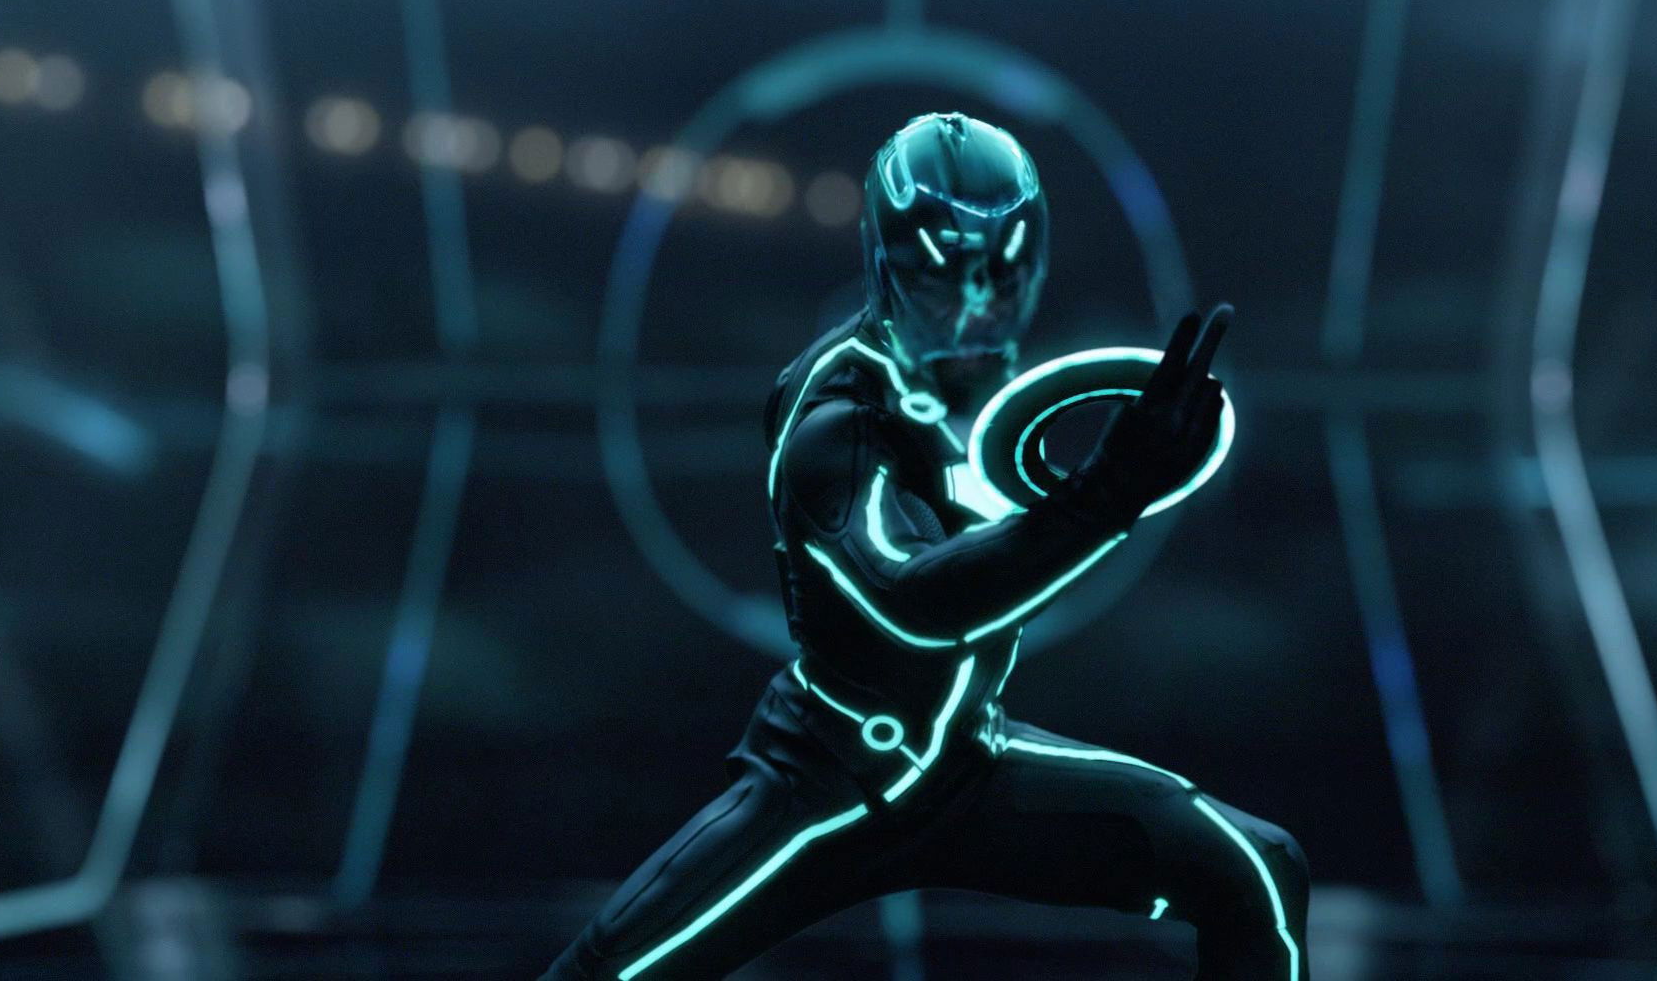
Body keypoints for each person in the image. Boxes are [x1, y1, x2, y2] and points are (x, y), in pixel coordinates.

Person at [541, 112, 1308, 980]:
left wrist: (1119, 483)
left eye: (1006, 266)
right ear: (887, 262)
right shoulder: (839, 421)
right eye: (945, 266)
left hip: (966, 764)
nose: (981, 294)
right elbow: (915, 602)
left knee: (1257, 871)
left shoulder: (969, 390)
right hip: (830, 785)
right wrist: (1111, 492)